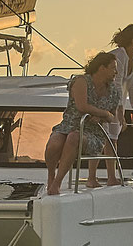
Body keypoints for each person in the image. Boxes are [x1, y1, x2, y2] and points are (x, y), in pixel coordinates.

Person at [45, 51, 121, 195]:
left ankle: (57, 183)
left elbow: (112, 117)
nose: (116, 72)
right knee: (54, 143)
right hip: (68, 125)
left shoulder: (113, 92)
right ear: (101, 68)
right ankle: (51, 176)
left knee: (74, 137)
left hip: (93, 133)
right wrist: (102, 113)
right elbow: (82, 106)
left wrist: (102, 117)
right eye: (113, 68)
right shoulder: (81, 81)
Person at [110, 23, 133, 175]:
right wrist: (120, 114)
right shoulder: (119, 56)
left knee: (113, 139)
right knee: (110, 139)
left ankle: (112, 174)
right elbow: (116, 85)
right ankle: (109, 175)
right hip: (108, 103)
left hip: (118, 105)